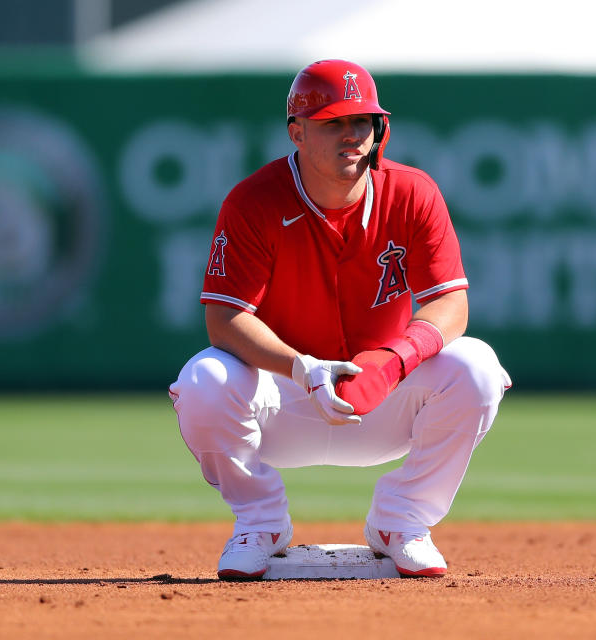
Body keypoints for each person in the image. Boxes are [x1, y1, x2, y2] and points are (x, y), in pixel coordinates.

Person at [169, 59, 511, 580]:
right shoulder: (254, 201)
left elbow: (451, 307)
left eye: (362, 121)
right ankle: (259, 522)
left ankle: (402, 522)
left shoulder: (412, 191)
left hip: (382, 400)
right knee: (204, 378)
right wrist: (304, 368)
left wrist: (395, 362)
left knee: (477, 367)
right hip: (287, 398)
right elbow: (226, 321)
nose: (352, 135)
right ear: (297, 132)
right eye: (333, 122)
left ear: (380, 129)